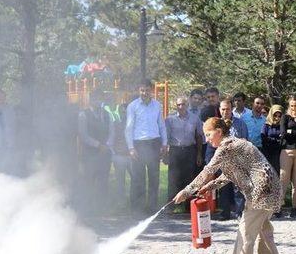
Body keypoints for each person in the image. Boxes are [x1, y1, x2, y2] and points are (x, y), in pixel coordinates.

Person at [173, 117, 286, 254]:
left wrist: (187, 191)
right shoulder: (233, 145)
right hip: (271, 187)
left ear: (219, 132)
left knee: (245, 231)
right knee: (263, 230)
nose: (207, 139)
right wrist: (210, 187)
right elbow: (229, 174)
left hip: (262, 190)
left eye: (209, 134)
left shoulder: (226, 147)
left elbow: (208, 170)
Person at [125, 82, 168, 215]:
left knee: (154, 177)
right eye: (142, 90)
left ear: (151, 91)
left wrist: (164, 143)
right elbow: (128, 128)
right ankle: (137, 208)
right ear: (139, 91)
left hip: (154, 144)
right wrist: (131, 148)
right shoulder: (133, 106)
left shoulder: (157, 105)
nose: (144, 93)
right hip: (138, 144)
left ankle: (152, 208)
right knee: (138, 178)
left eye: (147, 90)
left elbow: (161, 125)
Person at [207, 98, 248, 220]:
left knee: (238, 188)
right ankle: (224, 212)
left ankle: (240, 213)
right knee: (223, 188)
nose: (225, 112)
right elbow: (211, 144)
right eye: (223, 109)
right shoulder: (214, 125)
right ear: (219, 110)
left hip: (237, 160)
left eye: (228, 109)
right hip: (222, 161)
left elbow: (245, 141)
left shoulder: (240, 123)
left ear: (232, 109)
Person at [79, 88, 115, 213]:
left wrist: (106, 145)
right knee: (89, 181)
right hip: (89, 154)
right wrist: (98, 145)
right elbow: (83, 135)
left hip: (105, 154)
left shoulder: (107, 114)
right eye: (94, 98)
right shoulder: (83, 114)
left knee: (103, 182)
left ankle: (101, 209)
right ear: (90, 100)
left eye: (99, 98)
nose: (97, 101)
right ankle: (87, 210)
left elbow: (112, 133)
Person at [165, 96, 203, 211]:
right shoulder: (169, 119)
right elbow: (166, 138)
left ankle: (188, 207)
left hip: (189, 150)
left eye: (183, 104)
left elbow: (199, 137)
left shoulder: (195, 119)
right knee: (173, 179)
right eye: (178, 105)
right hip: (175, 151)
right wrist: (165, 154)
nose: (181, 107)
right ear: (176, 106)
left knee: (189, 179)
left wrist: (199, 154)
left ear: (187, 105)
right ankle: (171, 206)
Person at [261, 104, 284, 217]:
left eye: (280, 115)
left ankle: (277, 207)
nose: (277, 118)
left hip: (278, 155)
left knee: (277, 181)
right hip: (267, 155)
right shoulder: (266, 125)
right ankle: (267, 207)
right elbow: (264, 138)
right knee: (268, 180)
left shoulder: (283, 126)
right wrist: (276, 139)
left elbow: (283, 139)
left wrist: (274, 140)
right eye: (275, 115)